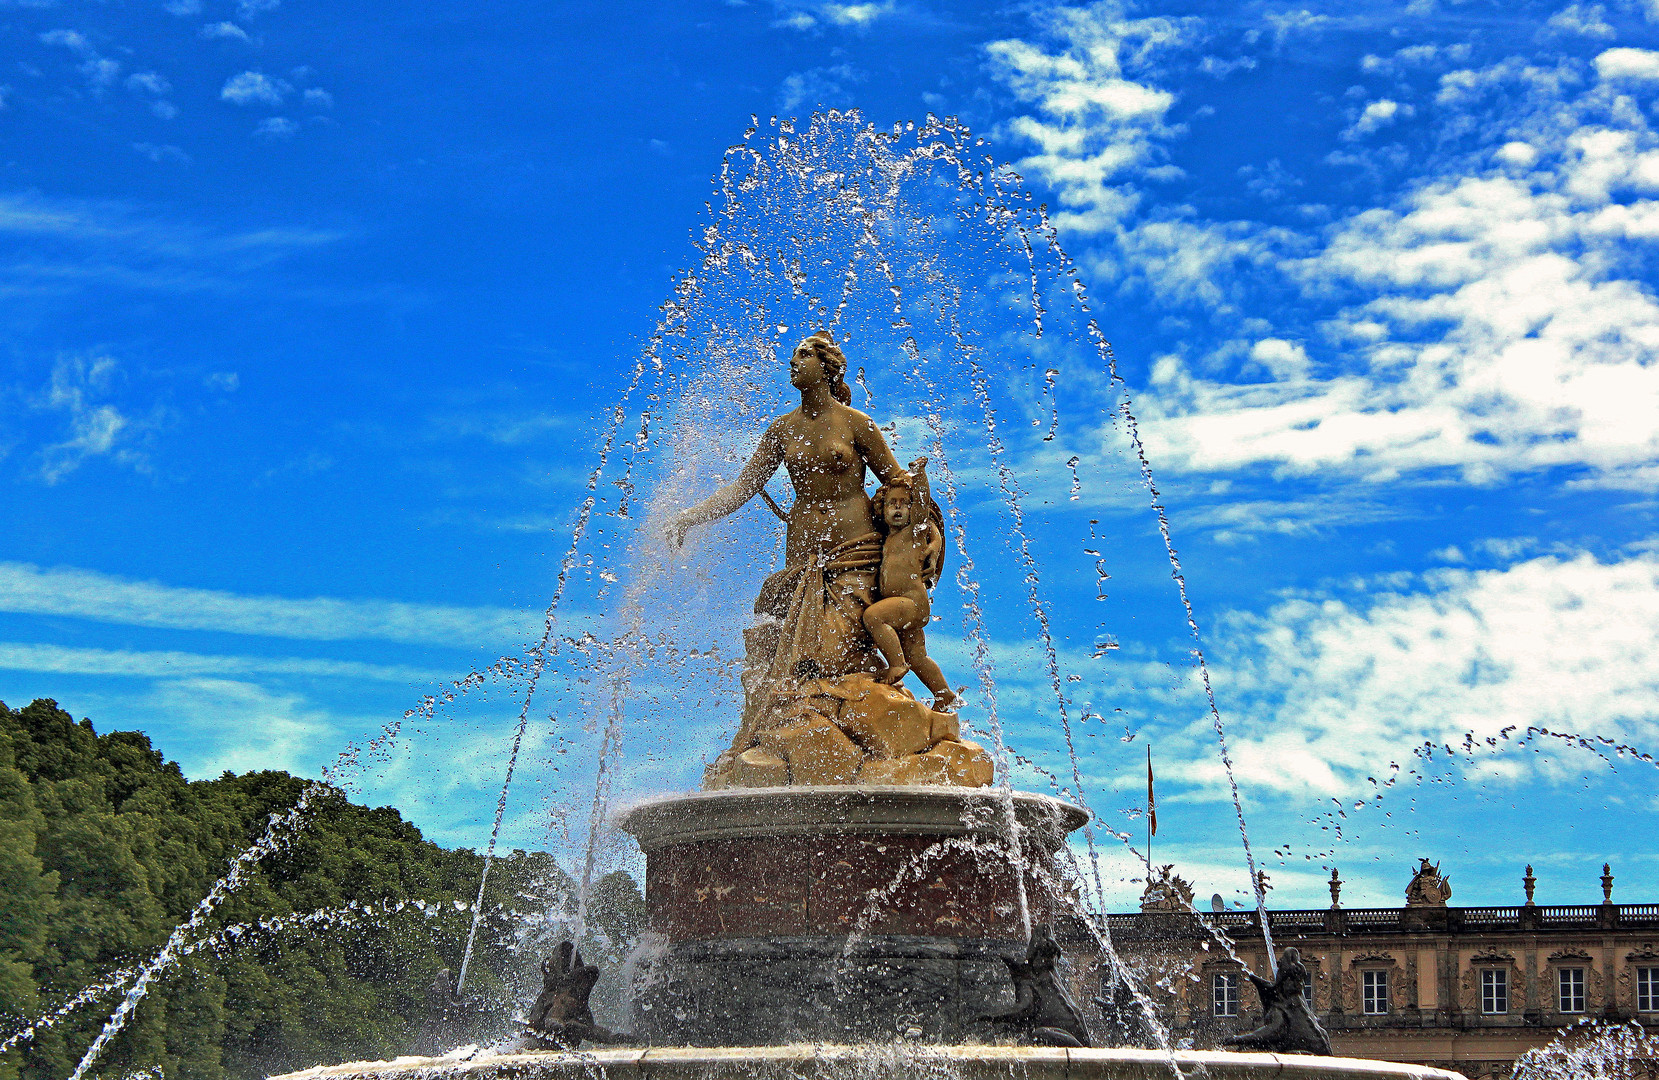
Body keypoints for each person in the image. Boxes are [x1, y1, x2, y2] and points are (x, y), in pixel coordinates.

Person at [667, 330, 907, 737]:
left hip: (856, 551)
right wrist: (692, 516)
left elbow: (897, 480)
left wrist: (918, 538)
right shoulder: (782, 430)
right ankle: (783, 732)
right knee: (787, 652)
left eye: (802, 356)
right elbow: (742, 487)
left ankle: (866, 715)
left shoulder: (857, 424)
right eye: (794, 356)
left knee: (836, 650)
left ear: (826, 367)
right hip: (801, 553)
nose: (793, 363)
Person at [864, 458, 957, 712]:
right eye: (892, 504)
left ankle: (896, 664)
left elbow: (923, 504)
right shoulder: (887, 538)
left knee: (873, 617)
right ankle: (943, 693)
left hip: (912, 602)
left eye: (905, 504)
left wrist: (919, 475)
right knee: (918, 656)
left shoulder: (914, 533)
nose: (898, 508)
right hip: (903, 609)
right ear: (882, 509)